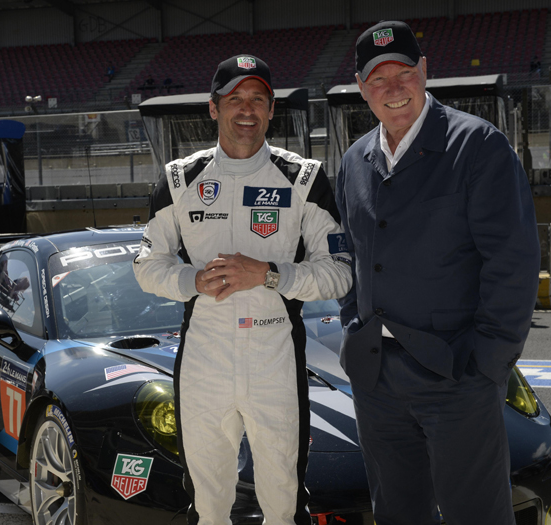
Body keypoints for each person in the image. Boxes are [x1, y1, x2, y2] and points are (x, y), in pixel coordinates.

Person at [335, 21, 540, 525]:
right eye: (377, 79)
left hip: (455, 372)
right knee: (398, 513)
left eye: (403, 72)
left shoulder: (477, 146)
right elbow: (352, 254)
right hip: (377, 377)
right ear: (362, 88)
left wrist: (487, 363)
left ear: (424, 72)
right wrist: (353, 327)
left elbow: (513, 262)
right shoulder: (354, 160)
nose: (393, 89)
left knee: (477, 514)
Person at [134, 54, 353, 525]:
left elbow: (340, 272)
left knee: (283, 502)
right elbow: (146, 266)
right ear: (213, 108)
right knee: (208, 505)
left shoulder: (304, 179)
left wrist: (272, 275)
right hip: (203, 359)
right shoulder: (178, 180)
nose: (247, 109)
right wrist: (190, 280)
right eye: (235, 98)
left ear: (273, 109)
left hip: (275, 355)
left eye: (258, 98)